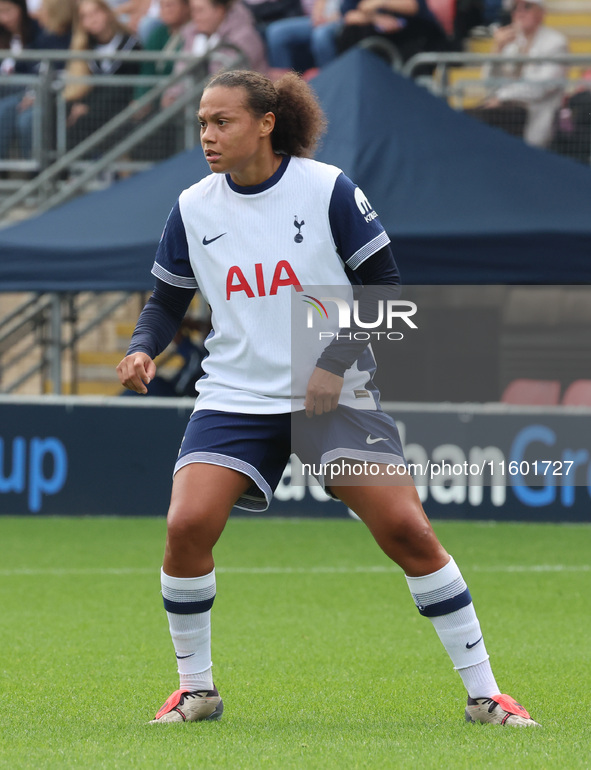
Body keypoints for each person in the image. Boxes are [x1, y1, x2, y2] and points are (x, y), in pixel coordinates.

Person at [116, 68, 540, 727]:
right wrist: (146, 345)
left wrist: (334, 363)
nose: (208, 134)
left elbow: (387, 292)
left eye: (222, 121)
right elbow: (167, 299)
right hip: (234, 395)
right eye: (202, 122)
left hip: (336, 396)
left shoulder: (326, 190)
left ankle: (485, 695)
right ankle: (195, 690)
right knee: (186, 525)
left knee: (407, 531)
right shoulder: (194, 206)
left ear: (265, 123)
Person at [467, 0, 567, 148]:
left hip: (533, 114)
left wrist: (501, 98)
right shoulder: (510, 43)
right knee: (463, 118)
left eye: (527, 6)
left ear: (541, 12)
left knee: (477, 120)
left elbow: (540, 88)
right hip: (506, 114)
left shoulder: (555, 43)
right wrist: (497, 49)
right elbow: (489, 83)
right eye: (515, 7)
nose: (520, 12)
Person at [64, 0, 141, 152]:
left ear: (107, 13)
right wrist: (80, 104)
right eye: (85, 16)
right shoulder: (87, 49)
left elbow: (125, 86)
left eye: (96, 12)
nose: (93, 19)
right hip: (96, 104)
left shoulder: (131, 44)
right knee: (64, 110)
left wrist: (88, 106)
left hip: (120, 107)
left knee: (83, 122)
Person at [161, 0, 268, 110]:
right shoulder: (192, 34)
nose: (195, 16)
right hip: (201, 108)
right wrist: (172, 94)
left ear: (219, 11)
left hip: (245, 107)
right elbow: (181, 69)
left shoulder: (243, 36)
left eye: (200, 11)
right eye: (193, 11)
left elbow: (227, 82)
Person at [0, 0, 71, 159]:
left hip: (53, 96)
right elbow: (24, 68)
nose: (37, 13)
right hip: (29, 91)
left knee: (26, 120)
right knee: (3, 109)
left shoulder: (62, 37)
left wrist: (34, 93)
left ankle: (35, 175)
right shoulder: (43, 38)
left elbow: (60, 74)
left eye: (42, 9)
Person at [336, 0, 450, 68]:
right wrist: (375, 18)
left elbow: (415, 7)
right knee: (348, 34)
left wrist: (381, 2)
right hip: (376, 44)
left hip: (415, 41)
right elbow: (348, 15)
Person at [265, 0, 342, 71]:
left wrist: (330, 19)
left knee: (320, 35)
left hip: (340, 19)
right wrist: (317, 15)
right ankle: (283, 82)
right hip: (319, 19)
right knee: (276, 31)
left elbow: (347, 8)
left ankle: (329, 77)